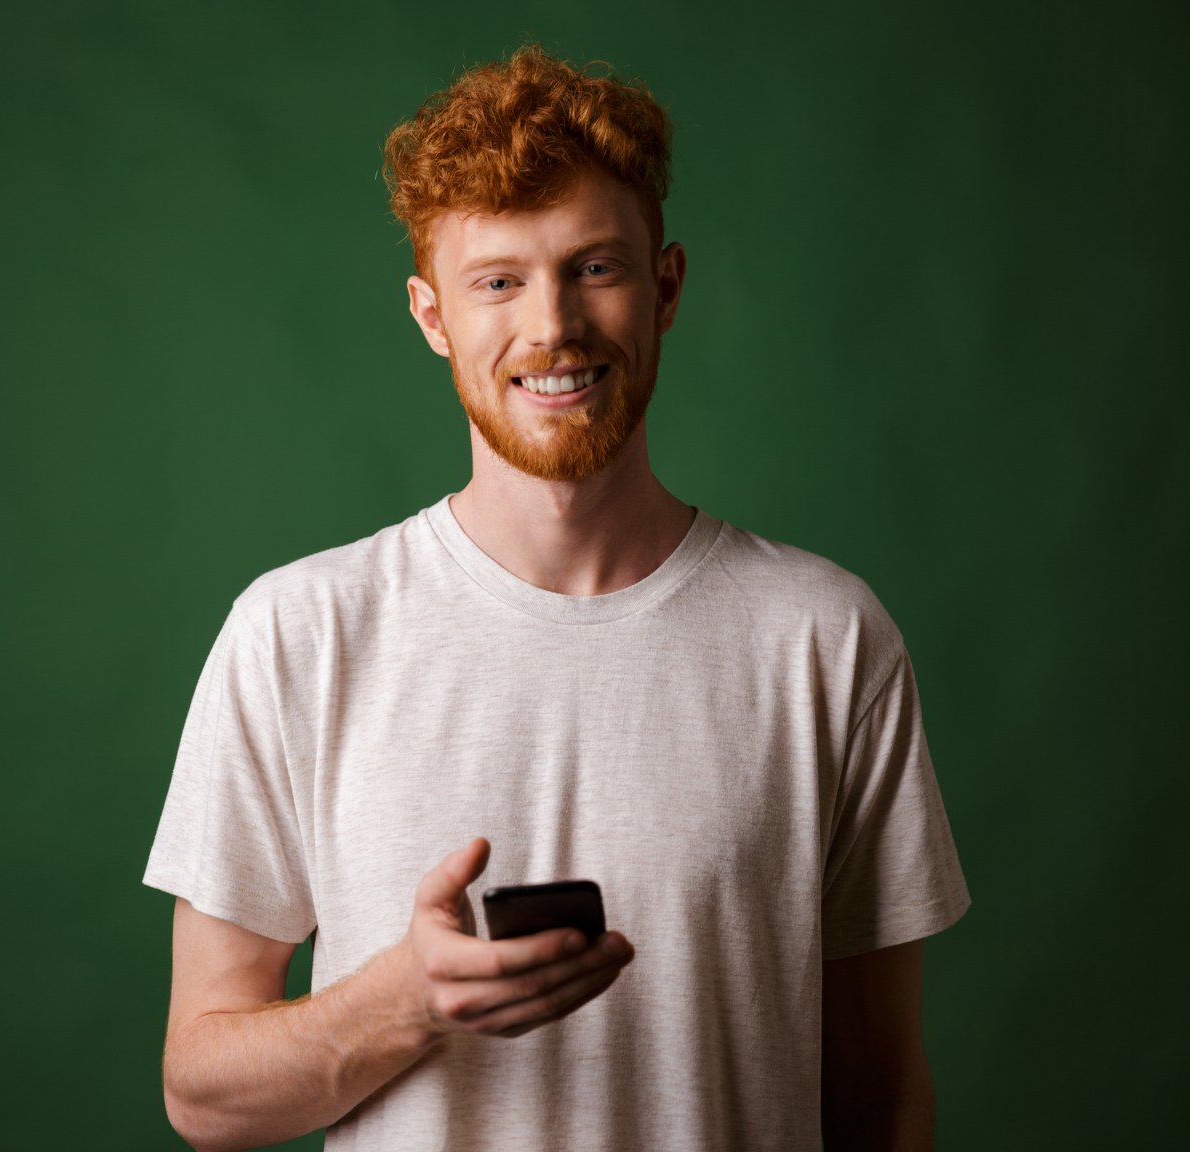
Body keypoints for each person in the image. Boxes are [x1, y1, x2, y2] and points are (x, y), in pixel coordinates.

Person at [145, 44, 970, 1151]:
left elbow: (882, 1095)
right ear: (432, 316)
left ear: (665, 287)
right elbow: (202, 1096)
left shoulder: (824, 641)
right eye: (498, 282)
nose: (552, 327)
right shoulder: (298, 635)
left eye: (594, 267)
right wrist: (406, 1000)